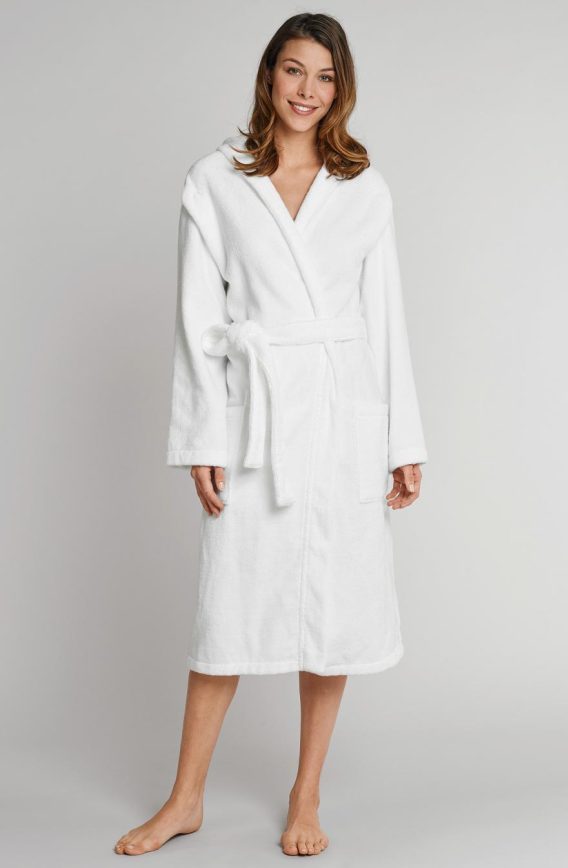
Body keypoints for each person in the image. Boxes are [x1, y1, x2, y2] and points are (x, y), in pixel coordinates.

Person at [114, 11, 428, 859]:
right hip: (256, 420)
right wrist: (202, 441)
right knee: (227, 608)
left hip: (341, 411)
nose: (307, 90)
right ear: (268, 75)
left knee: (333, 608)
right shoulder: (215, 179)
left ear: (341, 89)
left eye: (325, 77)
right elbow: (196, 320)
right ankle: (185, 799)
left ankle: (306, 792)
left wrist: (402, 439)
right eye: (294, 70)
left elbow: (385, 319)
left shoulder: (363, 186)